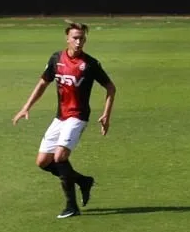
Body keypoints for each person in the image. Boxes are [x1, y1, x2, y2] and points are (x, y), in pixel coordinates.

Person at [12, 22, 116, 219]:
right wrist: (26, 107)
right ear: (67, 38)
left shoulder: (90, 64)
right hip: (60, 117)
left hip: (78, 117)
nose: (79, 42)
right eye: (75, 38)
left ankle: (71, 206)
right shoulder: (56, 59)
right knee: (43, 162)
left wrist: (106, 114)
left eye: (82, 38)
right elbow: (43, 83)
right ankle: (83, 181)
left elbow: (111, 88)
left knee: (60, 157)